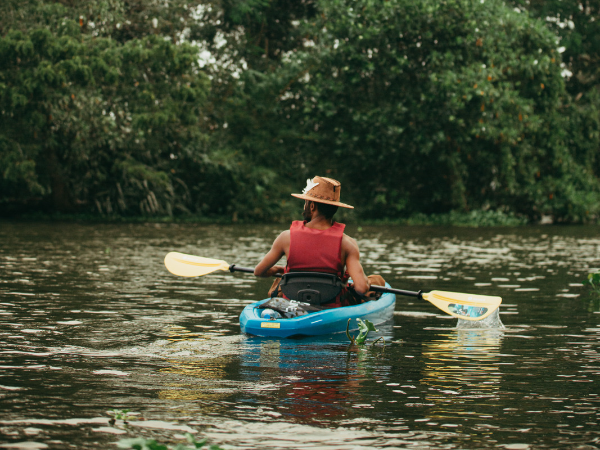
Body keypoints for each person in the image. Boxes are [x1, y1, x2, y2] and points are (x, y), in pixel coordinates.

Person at [254, 176, 385, 308]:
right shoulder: (348, 243)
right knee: (377, 281)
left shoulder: (285, 237)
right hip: (331, 304)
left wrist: (277, 270)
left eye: (306, 202)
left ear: (312, 206)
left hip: (294, 300)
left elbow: (259, 271)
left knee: (280, 280)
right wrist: (364, 282)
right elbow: (361, 289)